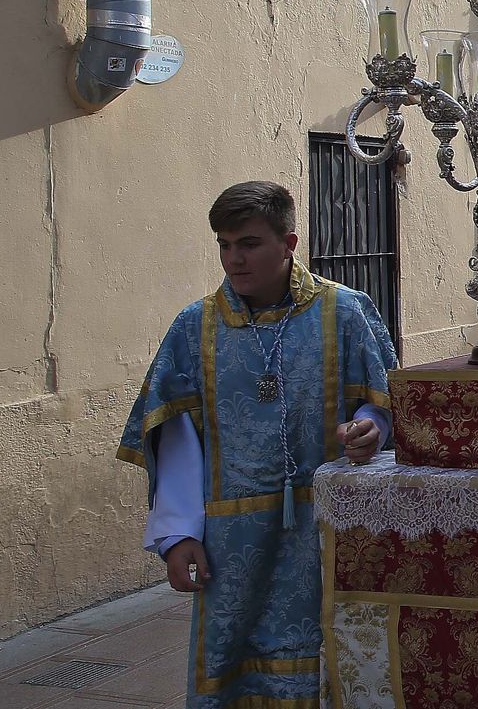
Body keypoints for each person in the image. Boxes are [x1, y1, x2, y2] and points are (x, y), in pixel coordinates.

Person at [118, 182, 397, 707]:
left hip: (326, 531)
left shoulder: (344, 311)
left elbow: (381, 399)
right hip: (232, 542)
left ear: (288, 243)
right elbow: (176, 437)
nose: (234, 259)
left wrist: (369, 430)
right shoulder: (195, 327)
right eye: (224, 245)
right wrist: (178, 535)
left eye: (248, 244)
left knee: (334, 657)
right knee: (235, 667)